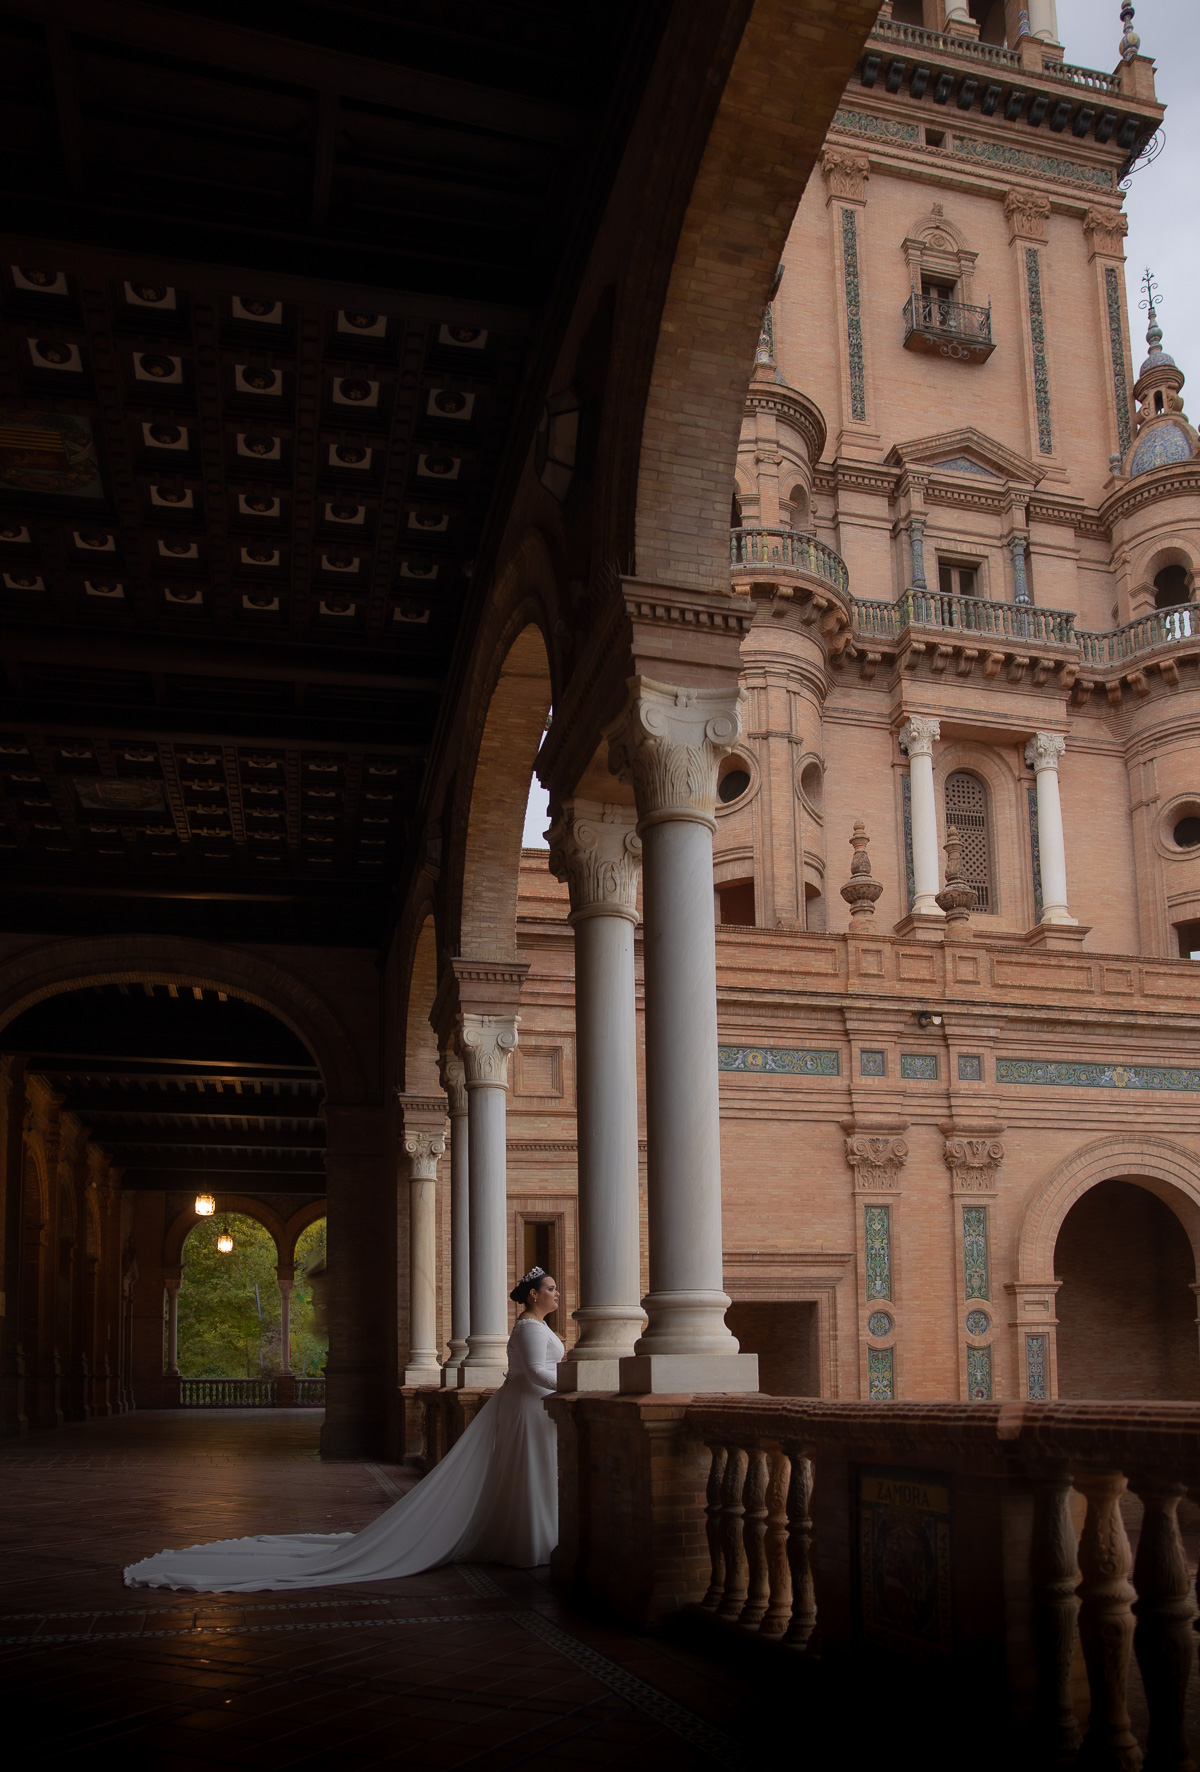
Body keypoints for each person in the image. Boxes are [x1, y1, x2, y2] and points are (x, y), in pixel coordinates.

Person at [124, 1269, 563, 1593]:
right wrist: (577, 1380)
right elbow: (539, 1374)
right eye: (550, 1289)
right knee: (525, 1471)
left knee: (526, 1473)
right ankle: (526, 1541)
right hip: (526, 1407)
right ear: (530, 1294)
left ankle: (525, 1537)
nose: (556, 1293)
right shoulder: (527, 1329)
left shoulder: (536, 1327)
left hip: (527, 1408)